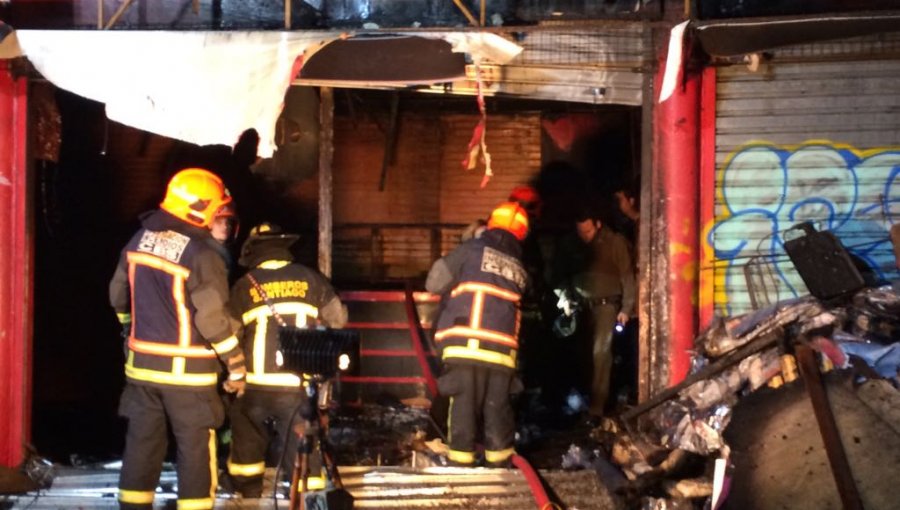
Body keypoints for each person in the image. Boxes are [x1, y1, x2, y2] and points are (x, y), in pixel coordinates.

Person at [109, 168, 247, 510]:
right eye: (217, 209)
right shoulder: (203, 255)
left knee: (141, 447)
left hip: (141, 372)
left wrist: (130, 328)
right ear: (200, 209)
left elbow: (117, 295)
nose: (220, 217)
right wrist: (236, 365)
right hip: (189, 377)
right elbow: (212, 318)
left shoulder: (137, 240)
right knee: (195, 451)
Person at [225, 223, 348, 498]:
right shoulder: (311, 279)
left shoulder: (245, 285)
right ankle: (309, 494)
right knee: (302, 438)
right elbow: (338, 319)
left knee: (248, 438)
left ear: (254, 252)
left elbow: (229, 332)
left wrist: (233, 371)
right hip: (297, 384)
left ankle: (248, 491)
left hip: (255, 385)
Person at [426, 202, 529, 467]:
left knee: (463, 405)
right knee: (497, 408)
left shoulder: (471, 249)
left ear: (491, 224)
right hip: (503, 353)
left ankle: (461, 464)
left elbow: (433, 282)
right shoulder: (519, 265)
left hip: (465, 343)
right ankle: (500, 464)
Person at [570, 208, 635, 419]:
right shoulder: (577, 246)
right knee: (584, 355)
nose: (585, 236)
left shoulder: (615, 242)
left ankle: (596, 407)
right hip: (582, 307)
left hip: (607, 307)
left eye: (588, 231)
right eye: (581, 232)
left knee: (601, 354)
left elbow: (627, 276)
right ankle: (582, 401)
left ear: (598, 225)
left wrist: (626, 308)